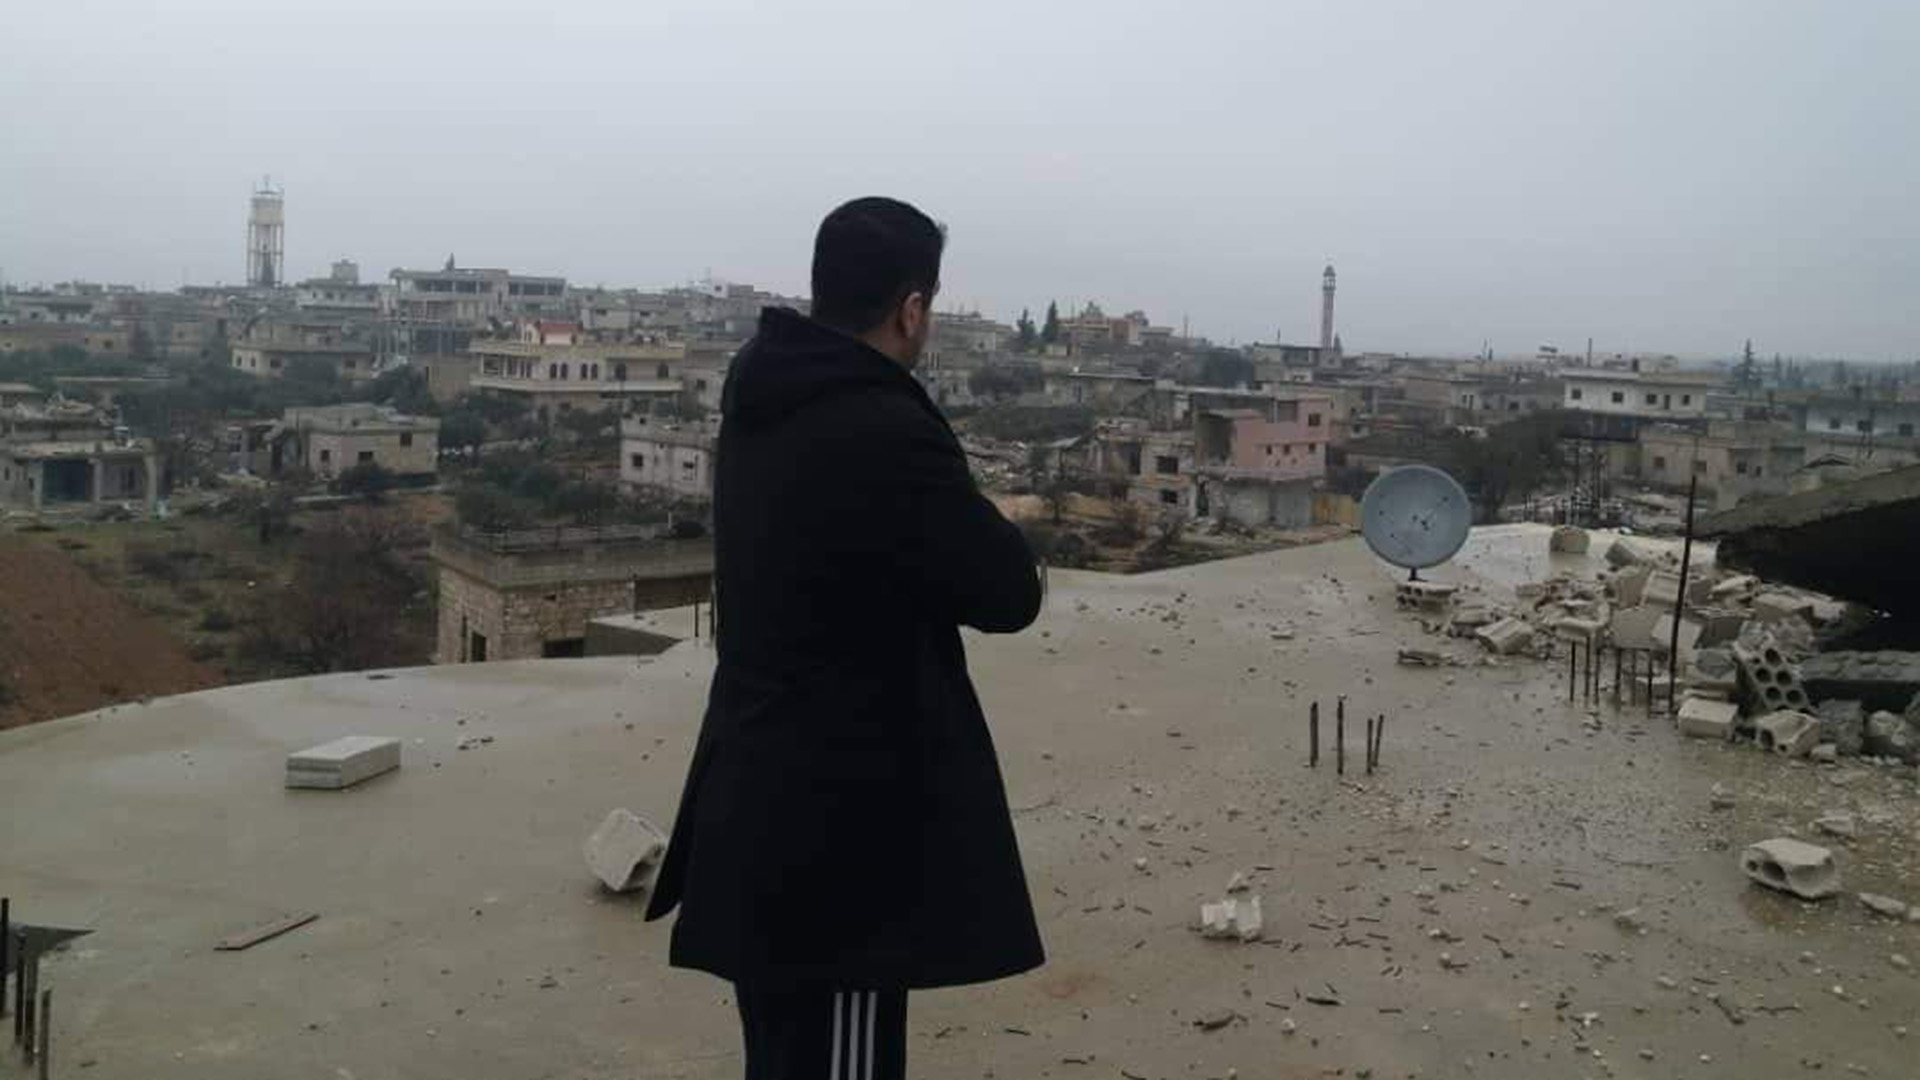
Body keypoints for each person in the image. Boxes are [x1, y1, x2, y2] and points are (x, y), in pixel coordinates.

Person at [645, 197, 1045, 1080]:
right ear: (912, 308)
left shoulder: (764, 386)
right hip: (839, 838)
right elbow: (1007, 592)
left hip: (760, 793)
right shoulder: (881, 424)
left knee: (785, 1055)